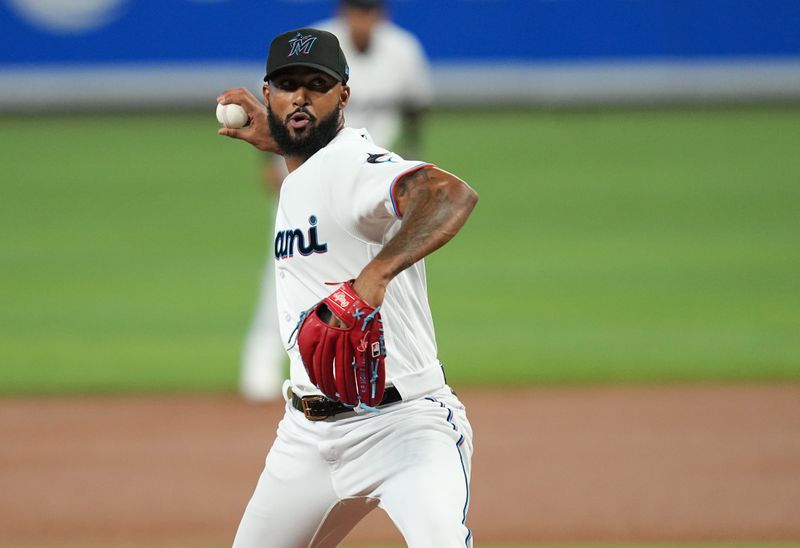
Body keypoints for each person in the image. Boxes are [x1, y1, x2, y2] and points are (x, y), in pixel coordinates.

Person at [217, 28, 477, 547]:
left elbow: (450, 195)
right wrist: (282, 140)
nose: (301, 96)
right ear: (267, 96)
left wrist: (374, 276)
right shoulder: (303, 172)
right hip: (307, 439)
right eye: (288, 85)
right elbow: (313, 167)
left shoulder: (354, 164)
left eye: (318, 84)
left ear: (345, 96)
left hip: (404, 426)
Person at [239, 0, 433, 401]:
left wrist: (406, 160)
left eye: (370, 10)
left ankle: (380, 369)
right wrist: (274, 163)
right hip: (301, 176)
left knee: (368, 276)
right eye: (357, 9)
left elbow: (416, 111)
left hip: (368, 184)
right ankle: (265, 364)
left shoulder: (403, 51)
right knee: (288, 271)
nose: (363, 18)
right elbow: (282, 114)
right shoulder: (315, 45)